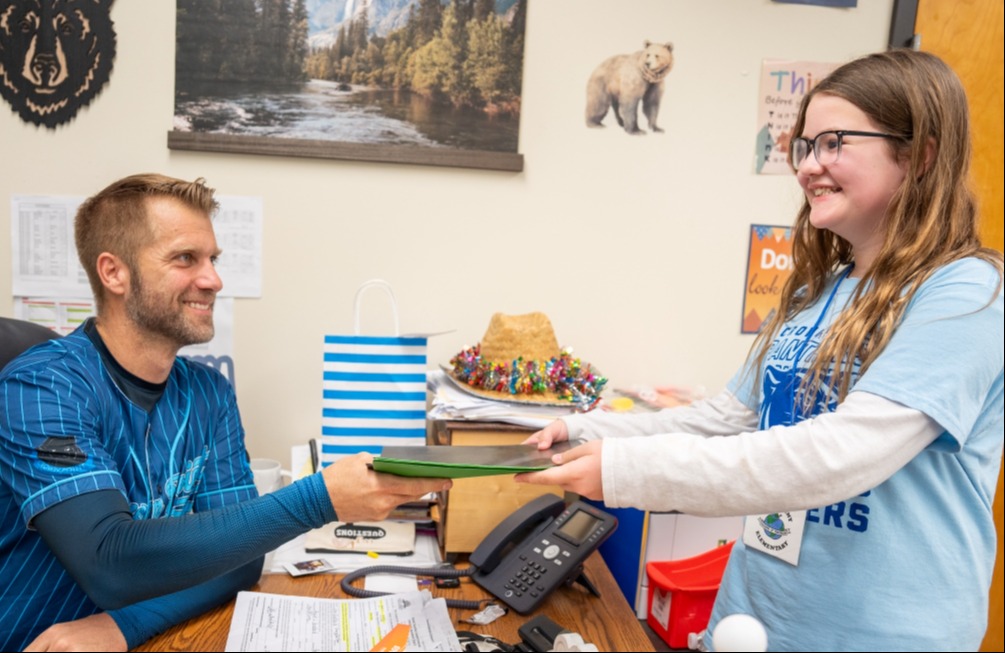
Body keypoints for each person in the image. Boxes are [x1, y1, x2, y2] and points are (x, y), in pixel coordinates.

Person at [516, 49, 1003, 651]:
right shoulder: (814, 290)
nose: (807, 167)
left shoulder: (968, 293)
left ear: (920, 153)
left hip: (880, 633)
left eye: (834, 143)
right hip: (754, 620)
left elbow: (843, 454)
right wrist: (592, 434)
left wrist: (623, 472)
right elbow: (726, 421)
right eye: (804, 146)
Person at [0, 174, 451, 652]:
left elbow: (241, 561)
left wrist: (124, 625)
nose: (213, 279)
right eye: (184, 258)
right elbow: (108, 560)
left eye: (212, 259)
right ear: (114, 273)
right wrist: (321, 500)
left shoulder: (207, 392)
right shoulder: (42, 386)